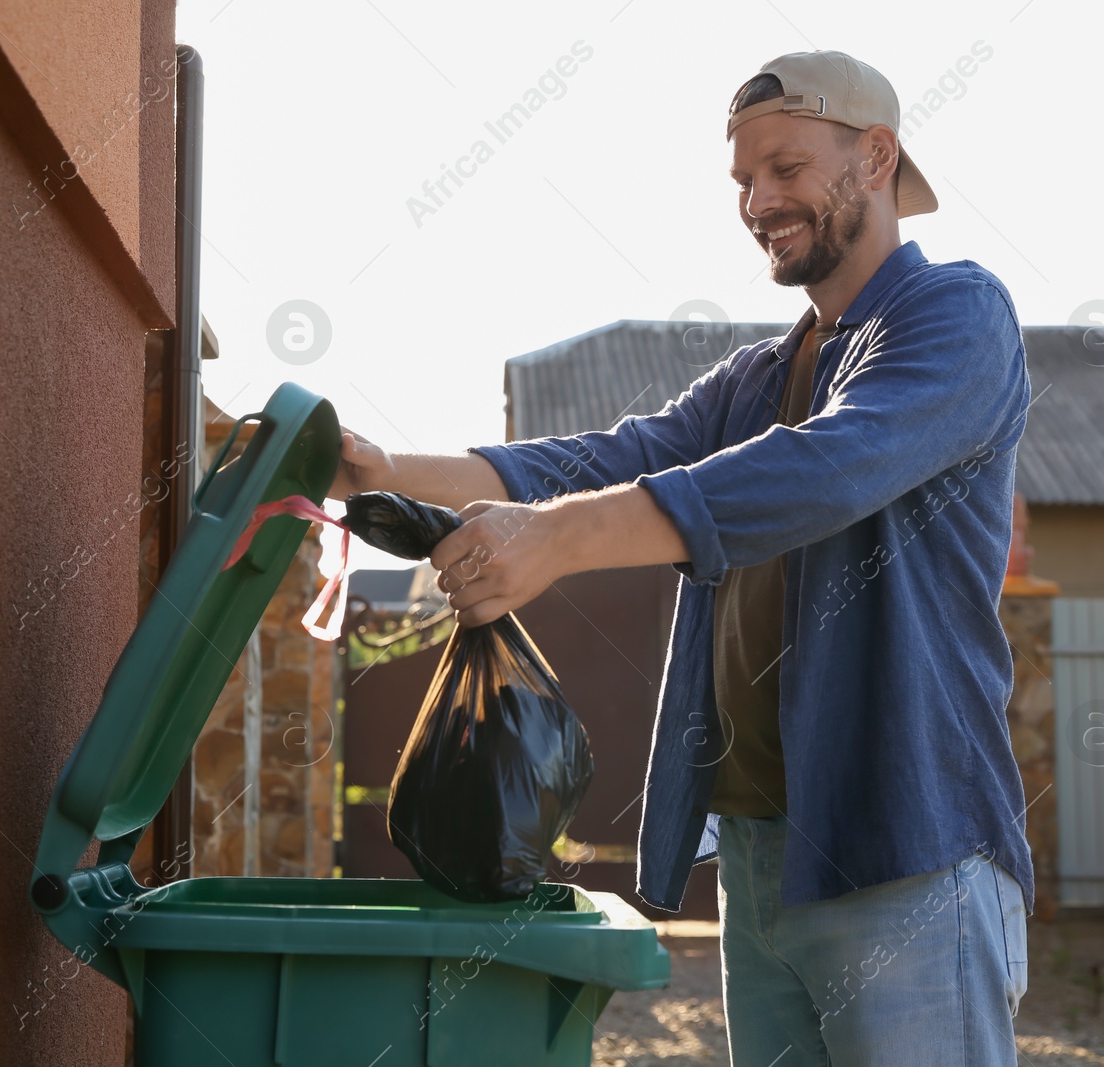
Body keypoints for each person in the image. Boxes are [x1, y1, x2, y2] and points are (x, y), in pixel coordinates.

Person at [329, 49, 1033, 1067]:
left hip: (907, 851)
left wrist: (557, 541)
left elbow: (827, 468)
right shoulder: (758, 375)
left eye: (786, 168)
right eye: (745, 180)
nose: (759, 201)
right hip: (759, 851)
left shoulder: (956, 316)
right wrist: (386, 466)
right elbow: (608, 456)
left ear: (874, 158)